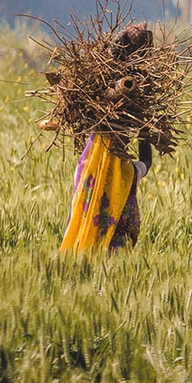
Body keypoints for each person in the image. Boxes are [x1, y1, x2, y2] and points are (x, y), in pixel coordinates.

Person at [59, 22, 154, 253]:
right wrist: (144, 127)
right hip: (114, 256)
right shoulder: (126, 174)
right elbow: (147, 162)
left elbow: (95, 130)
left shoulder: (85, 169)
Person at [59, 130, 152, 253]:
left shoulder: (83, 170)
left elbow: (90, 152)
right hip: (118, 249)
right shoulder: (129, 172)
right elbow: (147, 161)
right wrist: (143, 131)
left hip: (83, 244)